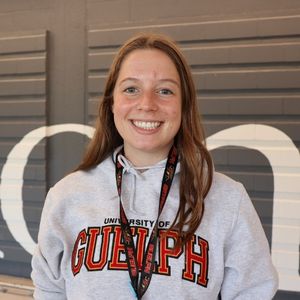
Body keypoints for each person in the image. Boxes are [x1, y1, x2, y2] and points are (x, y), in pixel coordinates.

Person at [31, 33, 278, 299]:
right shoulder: (67, 195)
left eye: (164, 90)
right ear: (111, 102)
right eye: (131, 89)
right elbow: (49, 290)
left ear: (184, 106)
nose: (147, 104)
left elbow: (254, 292)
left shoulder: (227, 199)